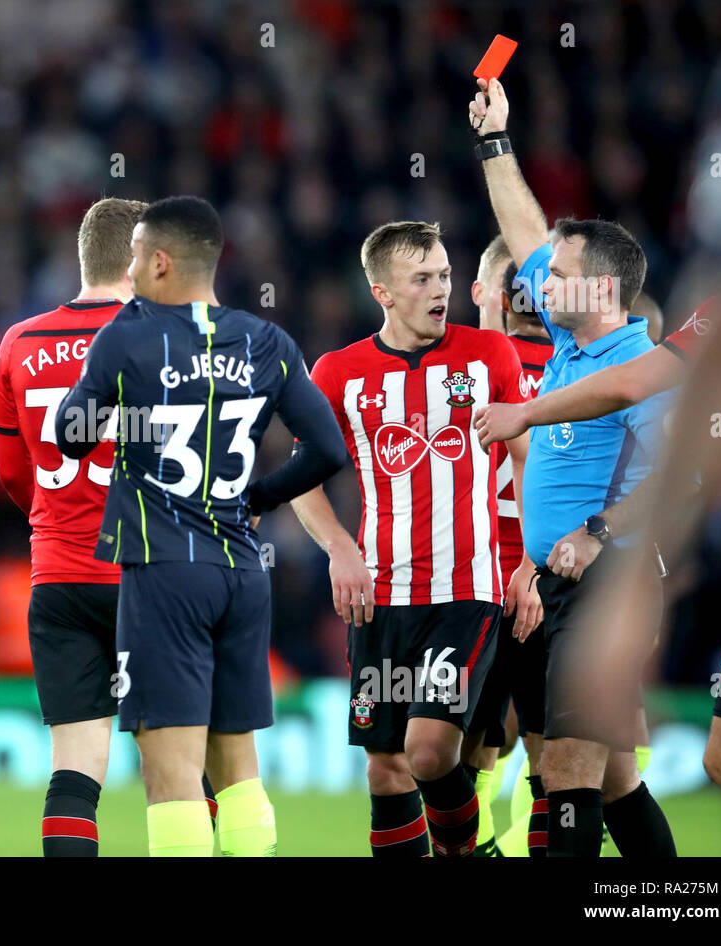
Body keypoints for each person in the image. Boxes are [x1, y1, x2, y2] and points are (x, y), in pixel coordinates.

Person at [54, 195, 347, 856]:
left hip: (164, 572)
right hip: (243, 571)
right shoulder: (268, 341)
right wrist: (261, 497)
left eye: (133, 256)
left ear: (159, 262)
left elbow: (70, 437)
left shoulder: (127, 335)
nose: (127, 270)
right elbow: (329, 450)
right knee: (238, 769)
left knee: (172, 772)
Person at [468, 75, 676, 857]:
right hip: (556, 581)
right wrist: (496, 141)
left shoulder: (642, 365)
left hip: (608, 580)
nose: (539, 283)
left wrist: (596, 531)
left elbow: (677, 478)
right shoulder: (568, 350)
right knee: (617, 781)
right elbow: (525, 232)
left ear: (604, 287)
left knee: (566, 774)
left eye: (557, 275)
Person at [291, 221, 540, 857]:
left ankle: (466, 849)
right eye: (422, 279)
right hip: (380, 595)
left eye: (446, 276)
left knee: (429, 750)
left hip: (468, 589)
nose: (440, 290)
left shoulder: (489, 356)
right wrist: (341, 549)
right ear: (382, 292)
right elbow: (302, 481)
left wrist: (531, 562)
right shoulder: (339, 372)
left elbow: (529, 464)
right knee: (386, 769)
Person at [0, 196, 215, 856]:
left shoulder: (18, 341)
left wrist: (61, 518)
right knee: (175, 770)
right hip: (154, 576)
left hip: (60, 577)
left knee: (74, 769)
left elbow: (13, 473)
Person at [463, 238, 554, 856]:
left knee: (464, 751)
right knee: (557, 755)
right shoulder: (581, 368)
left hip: (468, 582)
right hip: (556, 577)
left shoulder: (455, 365)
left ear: (481, 294)